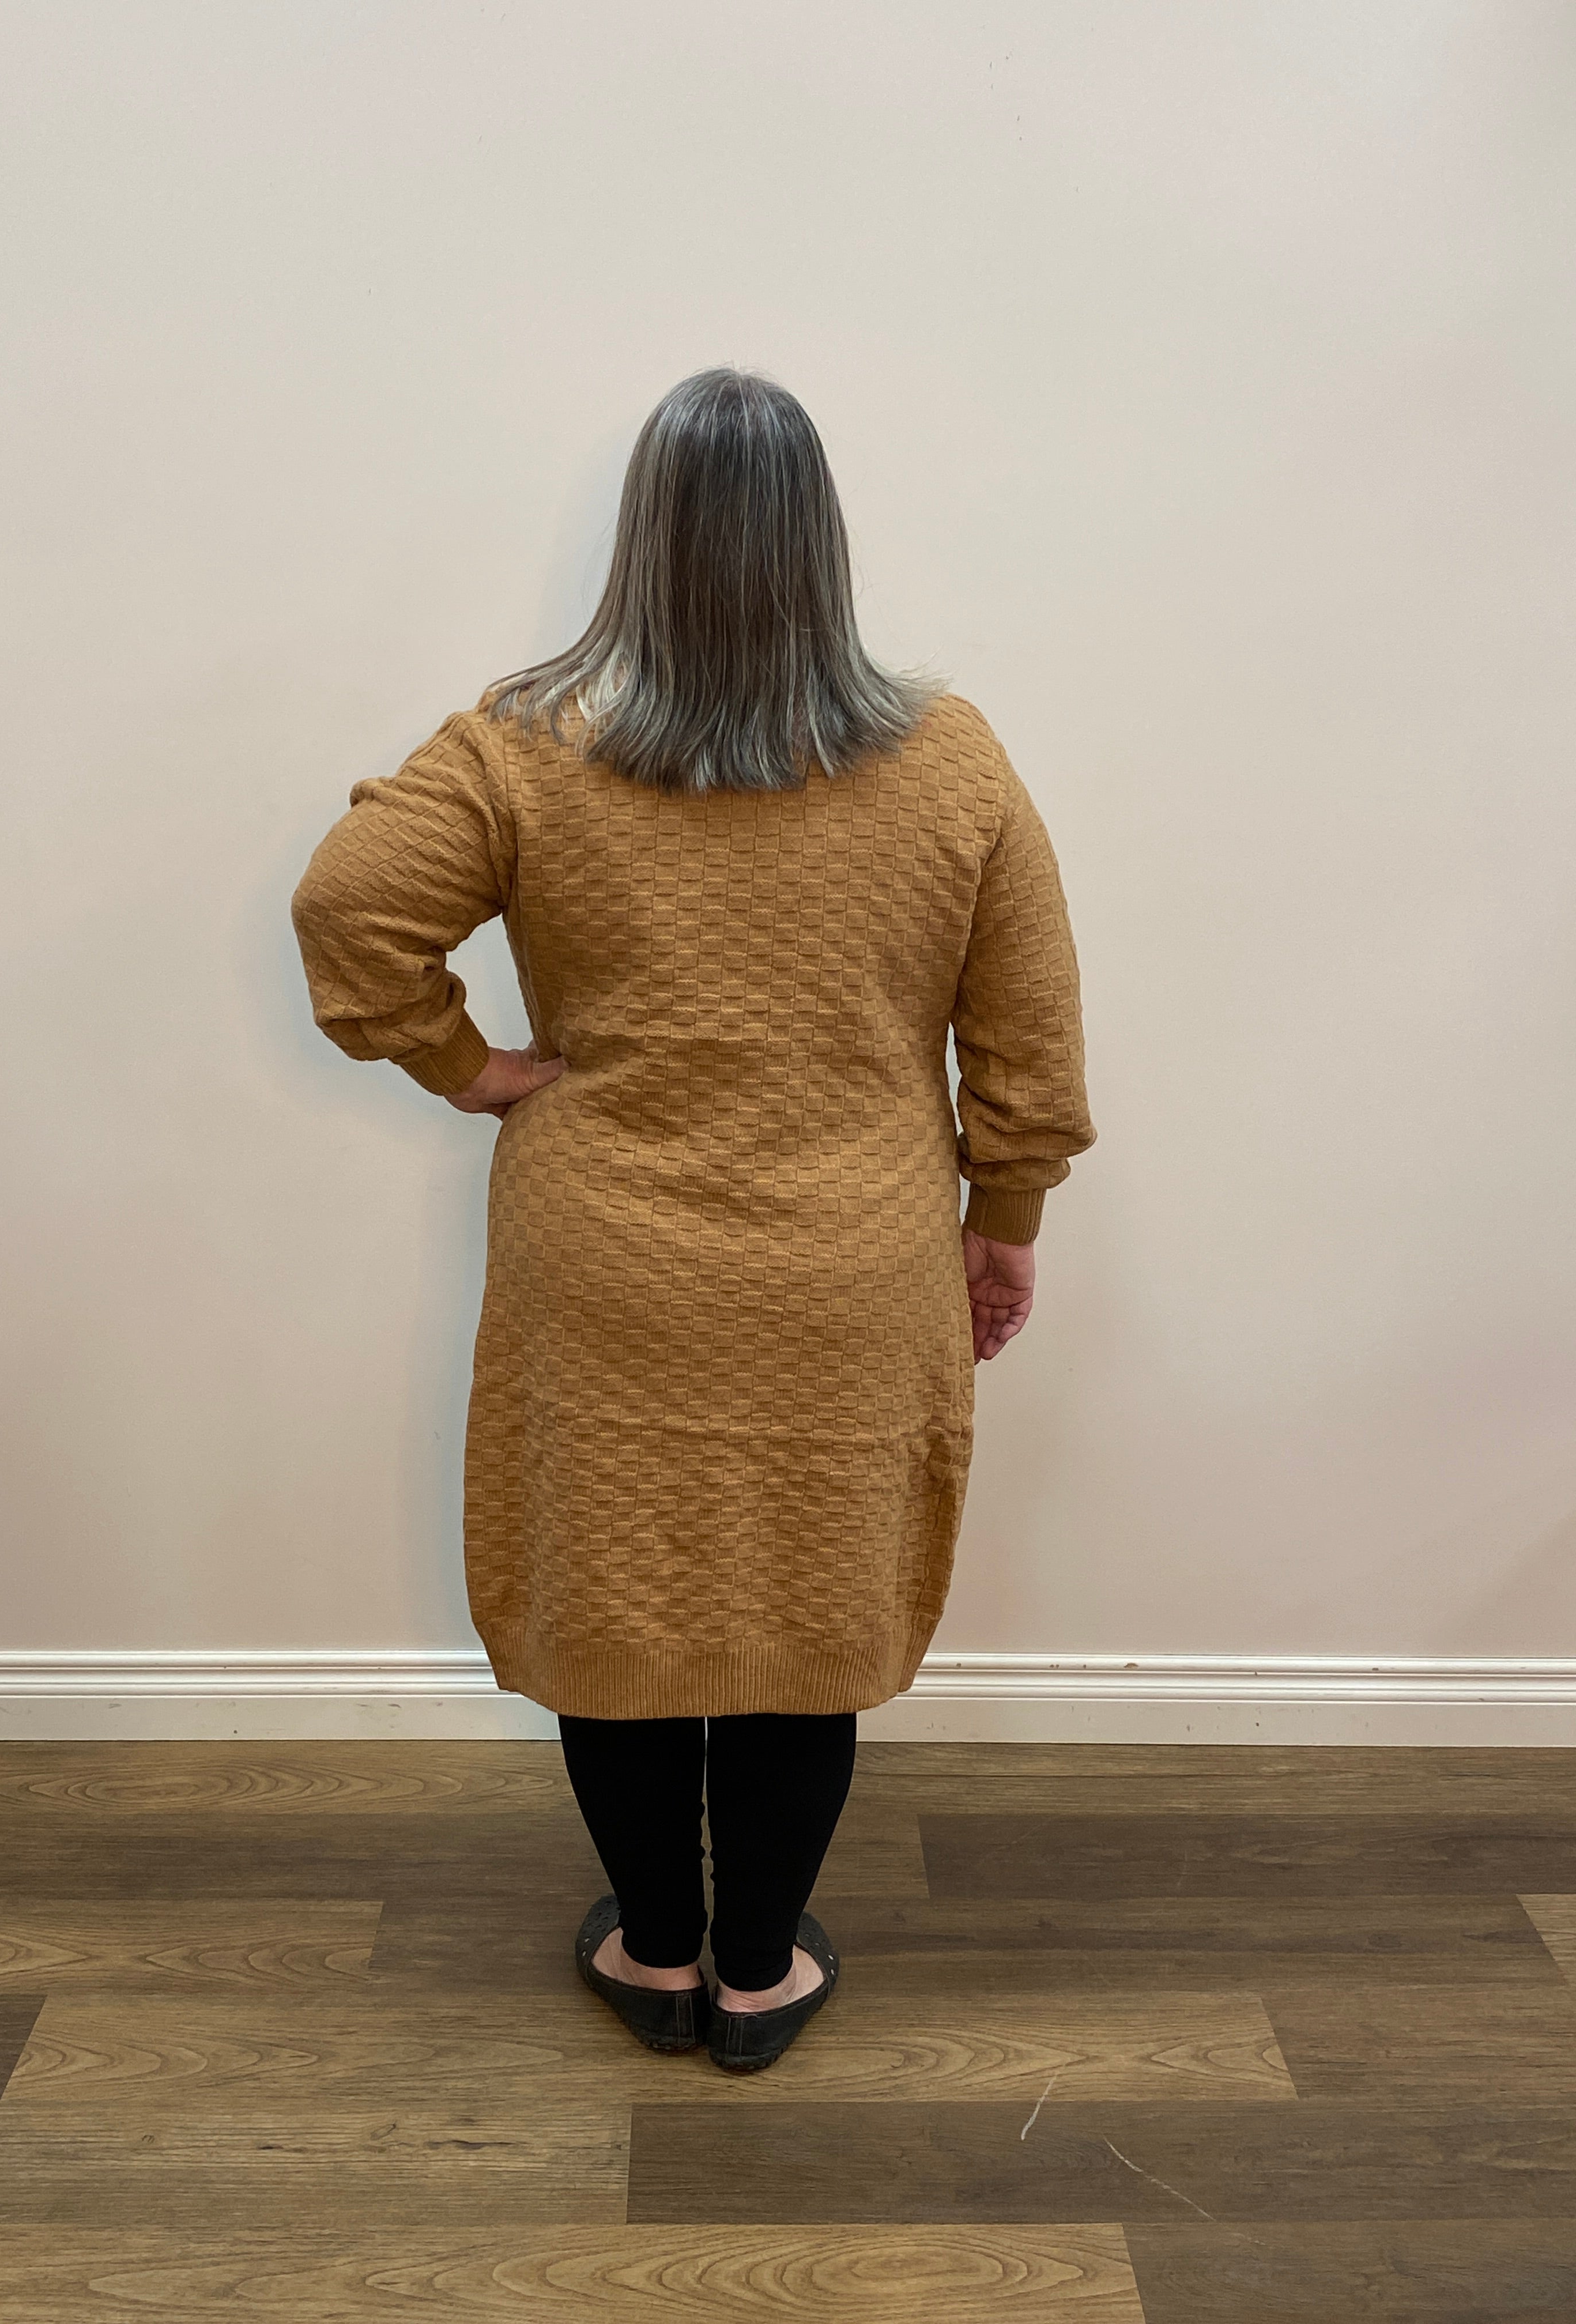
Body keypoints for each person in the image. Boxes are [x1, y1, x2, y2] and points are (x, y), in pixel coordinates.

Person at [291, 366, 1095, 2072]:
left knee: (621, 1610)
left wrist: (475, 1070)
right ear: (824, 543)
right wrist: (1001, 1215)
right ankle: (758, 1977)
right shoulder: (949, 760)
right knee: (806, 1626)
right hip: (852, 1263)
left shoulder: (523, 741)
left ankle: (656, 1951)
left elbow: (350, 912)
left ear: (643, 535)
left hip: (608, 1267)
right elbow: (1025, 1040)